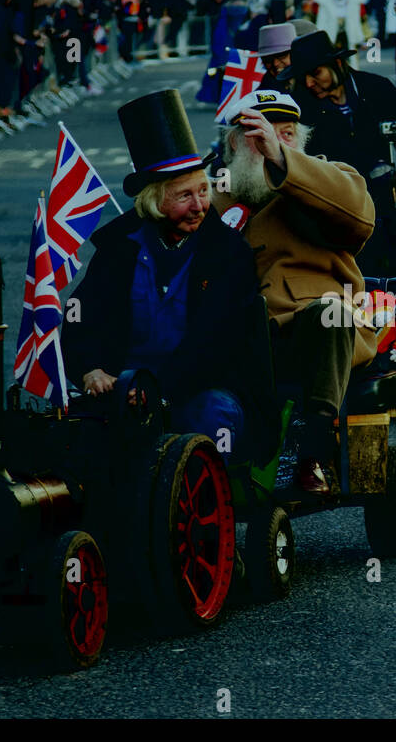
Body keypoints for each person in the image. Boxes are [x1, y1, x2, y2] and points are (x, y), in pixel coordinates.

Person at [63, 89, 263, 464]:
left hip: (202, 388)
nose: (200, 205)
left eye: (204, 190)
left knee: (210, 417)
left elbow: (218, 340)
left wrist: (160, 387)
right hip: (125, 386)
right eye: (184, 195)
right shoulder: (119, 249)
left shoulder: (228, 252)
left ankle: (211, 504)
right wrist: (89, 370)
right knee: (72, 438)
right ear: (154, 200)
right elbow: (80, 313)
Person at [211, 89, 377, 495]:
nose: (273, 139)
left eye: (286, 133)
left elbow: (359, 215)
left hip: (313, 325)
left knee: (330, 313)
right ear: (234, 141)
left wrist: (282, 159)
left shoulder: (328, 177)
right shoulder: (215, 192)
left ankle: (316, 449)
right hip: (244, 329)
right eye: (260, 132)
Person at [278, 30, 396, 273]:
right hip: (338, 209)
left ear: (338, 63)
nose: (310, 83)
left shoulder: (377, 89)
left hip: (389, 202)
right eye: (304, 77)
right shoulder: (301, 107)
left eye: (316, 73)